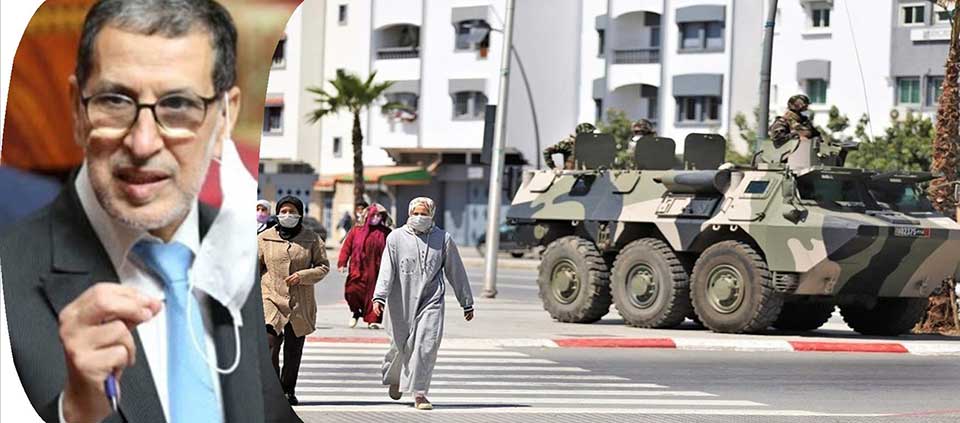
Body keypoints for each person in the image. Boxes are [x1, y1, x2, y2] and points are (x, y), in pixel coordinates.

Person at [0, 1, 300, 422]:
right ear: (76, 109)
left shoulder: (247, 263)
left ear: (225, 118)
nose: (143, 144)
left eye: (177, 105)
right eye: (115, 100)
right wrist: (73, 412)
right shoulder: (12, 274)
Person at [372, 197, 475, 410]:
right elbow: (386, 270)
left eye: (424, 213)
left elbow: (456, 271)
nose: (420, 217)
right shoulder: (395, 238)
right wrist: (379, 296)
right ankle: (396, 377)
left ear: (432, 214)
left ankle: (419, 393)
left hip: (431, 300)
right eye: (416, 213)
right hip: (400, 300)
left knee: (426, 346)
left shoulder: (443, 239)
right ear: (409, 214)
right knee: (400, 345)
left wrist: (466, 302)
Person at [258, 196, 329, 405]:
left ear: (300, 214)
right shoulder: (265, 238)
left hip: (300, 301)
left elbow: (323, 266)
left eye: (292, 211)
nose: (287, 215)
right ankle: (273, 392)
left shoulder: (312, 239)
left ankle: (288, 390)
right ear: (278, 213)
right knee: (270, 344)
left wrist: (303, 276)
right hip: (271, 297)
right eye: (284, 211)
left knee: (293, 349)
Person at [338, 204, 391, 329]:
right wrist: (342, 263)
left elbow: (393, 250)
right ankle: (356, 312)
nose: (376, 218)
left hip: (377, 270)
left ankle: (373, 320)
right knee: (352, 291)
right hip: (358, 269)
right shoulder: (357, 231)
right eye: (374, 215)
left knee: (374, 296)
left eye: (379, 215)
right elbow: (347, 248)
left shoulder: (386, 233)